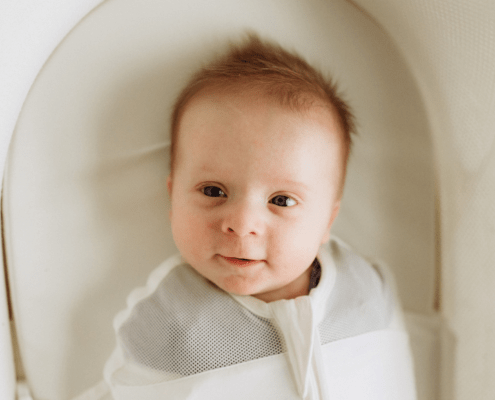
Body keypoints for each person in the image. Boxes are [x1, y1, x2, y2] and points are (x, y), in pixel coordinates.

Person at [103, 33, 417, 400]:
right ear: (173, 197)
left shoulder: (366, 288)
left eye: (281, 200)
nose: (242, 223)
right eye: (213, 191)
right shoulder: (165, 318)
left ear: (327, 221)